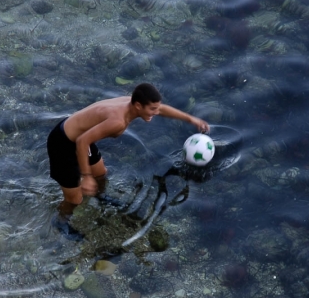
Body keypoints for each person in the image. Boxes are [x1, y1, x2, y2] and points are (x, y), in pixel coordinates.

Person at [47, 83, 209, 208]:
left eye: (155, 108)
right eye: (152, 109)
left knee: (101, 173)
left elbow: (162, 109)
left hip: (79, 136)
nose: (155, 112)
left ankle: (99, 197)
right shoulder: (118, 121)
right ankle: (63, 222)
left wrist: (191, 119)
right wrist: (86, 176)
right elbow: (82, 142)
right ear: (139, 106)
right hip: (62, 143)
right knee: (75, 200)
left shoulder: (130, 102)